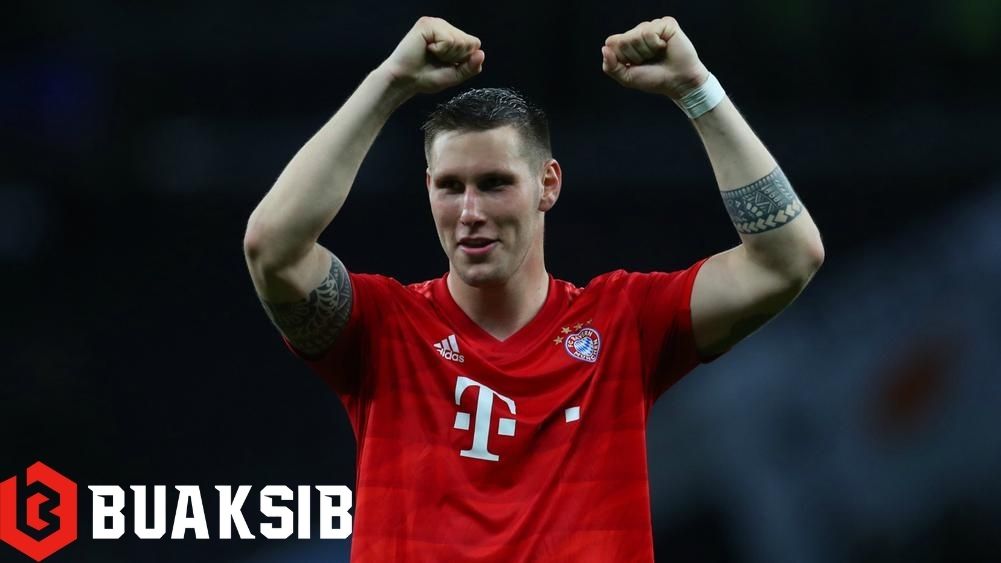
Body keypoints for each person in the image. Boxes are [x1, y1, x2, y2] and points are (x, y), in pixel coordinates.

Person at [243, 15, 823, 562]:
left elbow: (787, 259)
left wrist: (697, 90)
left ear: (548, 185)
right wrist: (388, 82)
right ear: (428, 189)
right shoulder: (382, 329)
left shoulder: (625, 322)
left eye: (495, 183)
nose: (470, 211)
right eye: (450, 186)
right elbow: (272, 247)